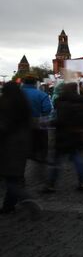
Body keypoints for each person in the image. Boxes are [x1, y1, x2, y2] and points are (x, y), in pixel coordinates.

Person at [0, 82, 42, 218]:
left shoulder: (6, 104)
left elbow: (3, 127)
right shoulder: (23, 104)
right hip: (22, 144)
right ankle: (8, 206)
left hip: (8, 146)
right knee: (13, 177)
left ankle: (28, 200)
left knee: (10, 180)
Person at [43, 82, 83, 193]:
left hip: (64, 135)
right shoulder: (82, 101)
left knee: (56, 161)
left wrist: (50, 123)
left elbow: (61, 120)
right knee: (78, 159)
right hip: (76, 134)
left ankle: (50, 185)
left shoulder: (63, 102)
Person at [21, 75, 52, 163]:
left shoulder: (18, 93)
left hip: (21, 122)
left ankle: (27, 153)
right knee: (42, 138)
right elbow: (47, 109)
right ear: (35, 83)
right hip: (38, 120)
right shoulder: (42, 94)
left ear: (24, 82)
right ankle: (41, 155)